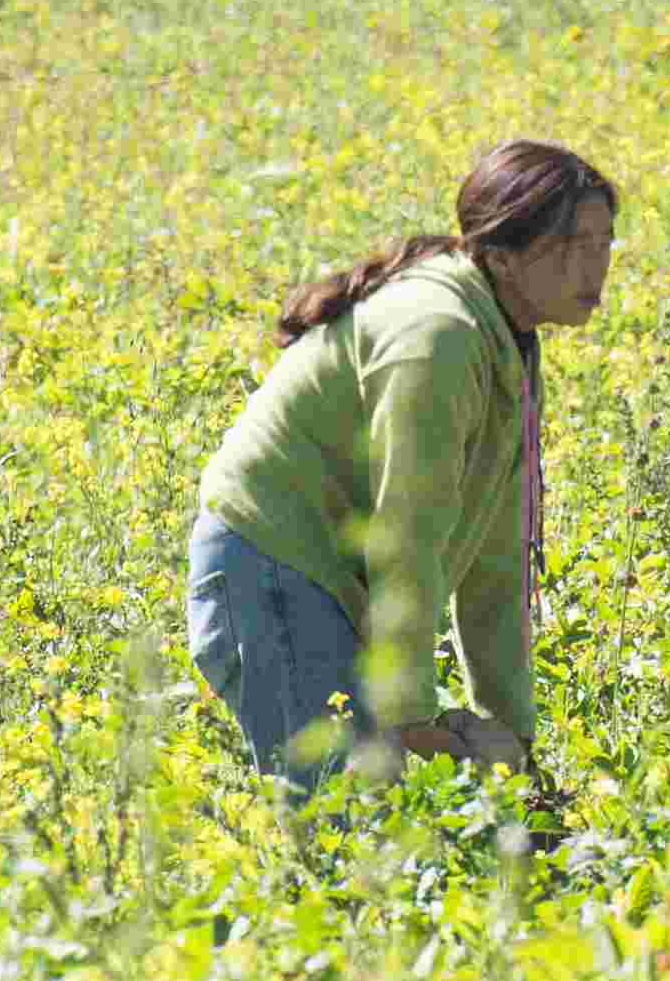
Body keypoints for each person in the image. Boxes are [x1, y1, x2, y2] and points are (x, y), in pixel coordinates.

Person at [187, 140, 618, 789]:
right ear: (502, 255)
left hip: (334, 584)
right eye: (571, 246)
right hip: (271, 570)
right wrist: (417, 722)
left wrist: (516, 744)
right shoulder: (439, 336)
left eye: (605, 243)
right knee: (344, 838)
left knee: (396, 833)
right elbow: (407, 538)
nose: (596, 266)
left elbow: (495, 563)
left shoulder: (511, 341)